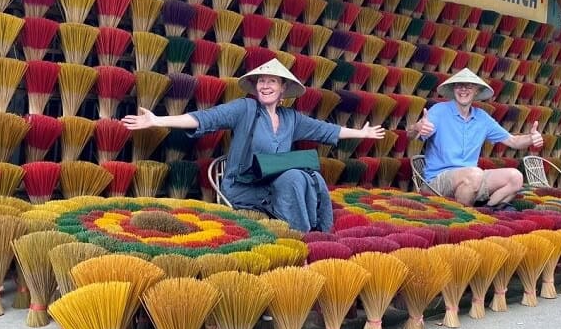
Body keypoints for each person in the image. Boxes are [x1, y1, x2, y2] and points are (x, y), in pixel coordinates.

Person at [121, 59, 385, 232]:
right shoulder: (245, 109)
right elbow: (205, 118)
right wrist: (157, 119)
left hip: (275, 184)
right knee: (295, 177)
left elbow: (327, 130)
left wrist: (361, 133)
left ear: (283, 89)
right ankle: (300, 238)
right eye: (261, 81)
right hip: (243, 187)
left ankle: (318, 233)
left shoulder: (290, 118)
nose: (265, 85)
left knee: (309, 175)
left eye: (272, 81)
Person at [407, 68, 544, 209]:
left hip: (472, 178)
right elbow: (410, 135)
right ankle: (461, 216)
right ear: (453, 89)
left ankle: (487, 210)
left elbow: (513, 141)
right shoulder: (439, 110)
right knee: (474, 174)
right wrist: (417, 127)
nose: (463, 90)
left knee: (515, 177)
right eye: (459, 85)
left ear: (476, 91)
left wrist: (531, 138)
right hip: (437, 181)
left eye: (469, 86)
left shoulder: (482, 117)